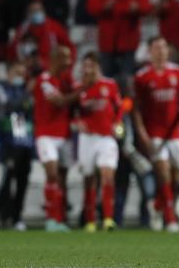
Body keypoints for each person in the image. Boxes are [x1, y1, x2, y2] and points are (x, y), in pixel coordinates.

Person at [132, 36, 179, 233]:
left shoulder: (178, 72)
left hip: (174, 133)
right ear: (150, 52)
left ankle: (158, 205)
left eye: (164, 47)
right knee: (163, 172)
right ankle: (170, 218)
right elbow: (137, 110)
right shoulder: (142, 77)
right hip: (155, 133)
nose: (161, 51)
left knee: (176, 177)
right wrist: (142, 134)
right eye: (157, 47)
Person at [87, 0, 152, 91]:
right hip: (108, 43)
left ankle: (126, 110)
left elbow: (146, 7)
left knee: (127, 80)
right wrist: (104, 7)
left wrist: (137, 8)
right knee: (106, 80)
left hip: (128, 43)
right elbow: (91, 7)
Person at [33, 46, 79, 232]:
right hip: (46, 134)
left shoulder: (67, 79)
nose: (69, 61)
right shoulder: (44, 80)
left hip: (65, 135)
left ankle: (61, 219)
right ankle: (51, 219)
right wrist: (86, 89)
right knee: (52, 174)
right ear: (55, 58)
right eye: (65, 57)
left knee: (62, 178)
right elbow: (59, 101)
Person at [76, 52, 121, 232]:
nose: (88, 69)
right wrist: (76, 122)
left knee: (107, 176)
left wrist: (117, 123)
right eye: (85, 66)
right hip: (87, 139)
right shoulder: (79, 88)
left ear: (98, 67)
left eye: (91, 66)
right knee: (89, 179)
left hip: (106, 138)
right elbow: (72, 112)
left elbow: (119, 107)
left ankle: (108, 219)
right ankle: (90, 221)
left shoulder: (110, 85)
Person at [0, 61, 32, 232]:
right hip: (8, 141)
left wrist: (21, 103)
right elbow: (8, 107)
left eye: (22, 73)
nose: (20, 76)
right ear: (8, 72)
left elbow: (27, 109)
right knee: (6, 180)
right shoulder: (0, 88)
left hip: (25, 140)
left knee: (22, 181)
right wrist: (21, 102)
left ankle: (16, 217)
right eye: (17, 72)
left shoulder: (24, 90)